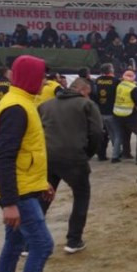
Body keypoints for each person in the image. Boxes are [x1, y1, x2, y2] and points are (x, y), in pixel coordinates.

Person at [0, 55, 54, 272]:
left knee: (14, 245)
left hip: (24, 188)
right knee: (42, 245)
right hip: (19, 194)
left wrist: (41, 183)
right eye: (42, 76)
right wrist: (9, 203)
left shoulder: (22, 102)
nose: (45, 82)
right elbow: (3, 158)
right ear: (31, 77)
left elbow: (27, 153)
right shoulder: (16, 108)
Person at [38, 77, 103, 254]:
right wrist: (88, 153)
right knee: (81, 197)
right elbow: (97, 132)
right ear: (84, 90)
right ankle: (73, 240)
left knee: (43, 198)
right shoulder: (86, 105)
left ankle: (31, 242)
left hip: (49, 157)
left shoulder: (46, 105)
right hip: (75, 158)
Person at [113, 70, 137, 164]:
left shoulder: (120, 85)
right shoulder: (134, 88)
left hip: (118, 113)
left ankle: (126, 153)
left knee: (126, 134)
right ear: (133, 77)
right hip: (130, 113)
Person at [96, 63, 122, 163]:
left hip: (101, 111)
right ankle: (115, 156)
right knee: (117, 134)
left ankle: (113, 152)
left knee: (111, 133)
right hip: (112, 111)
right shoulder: (116, 81)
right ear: (111, 70)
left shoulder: (97, 80)